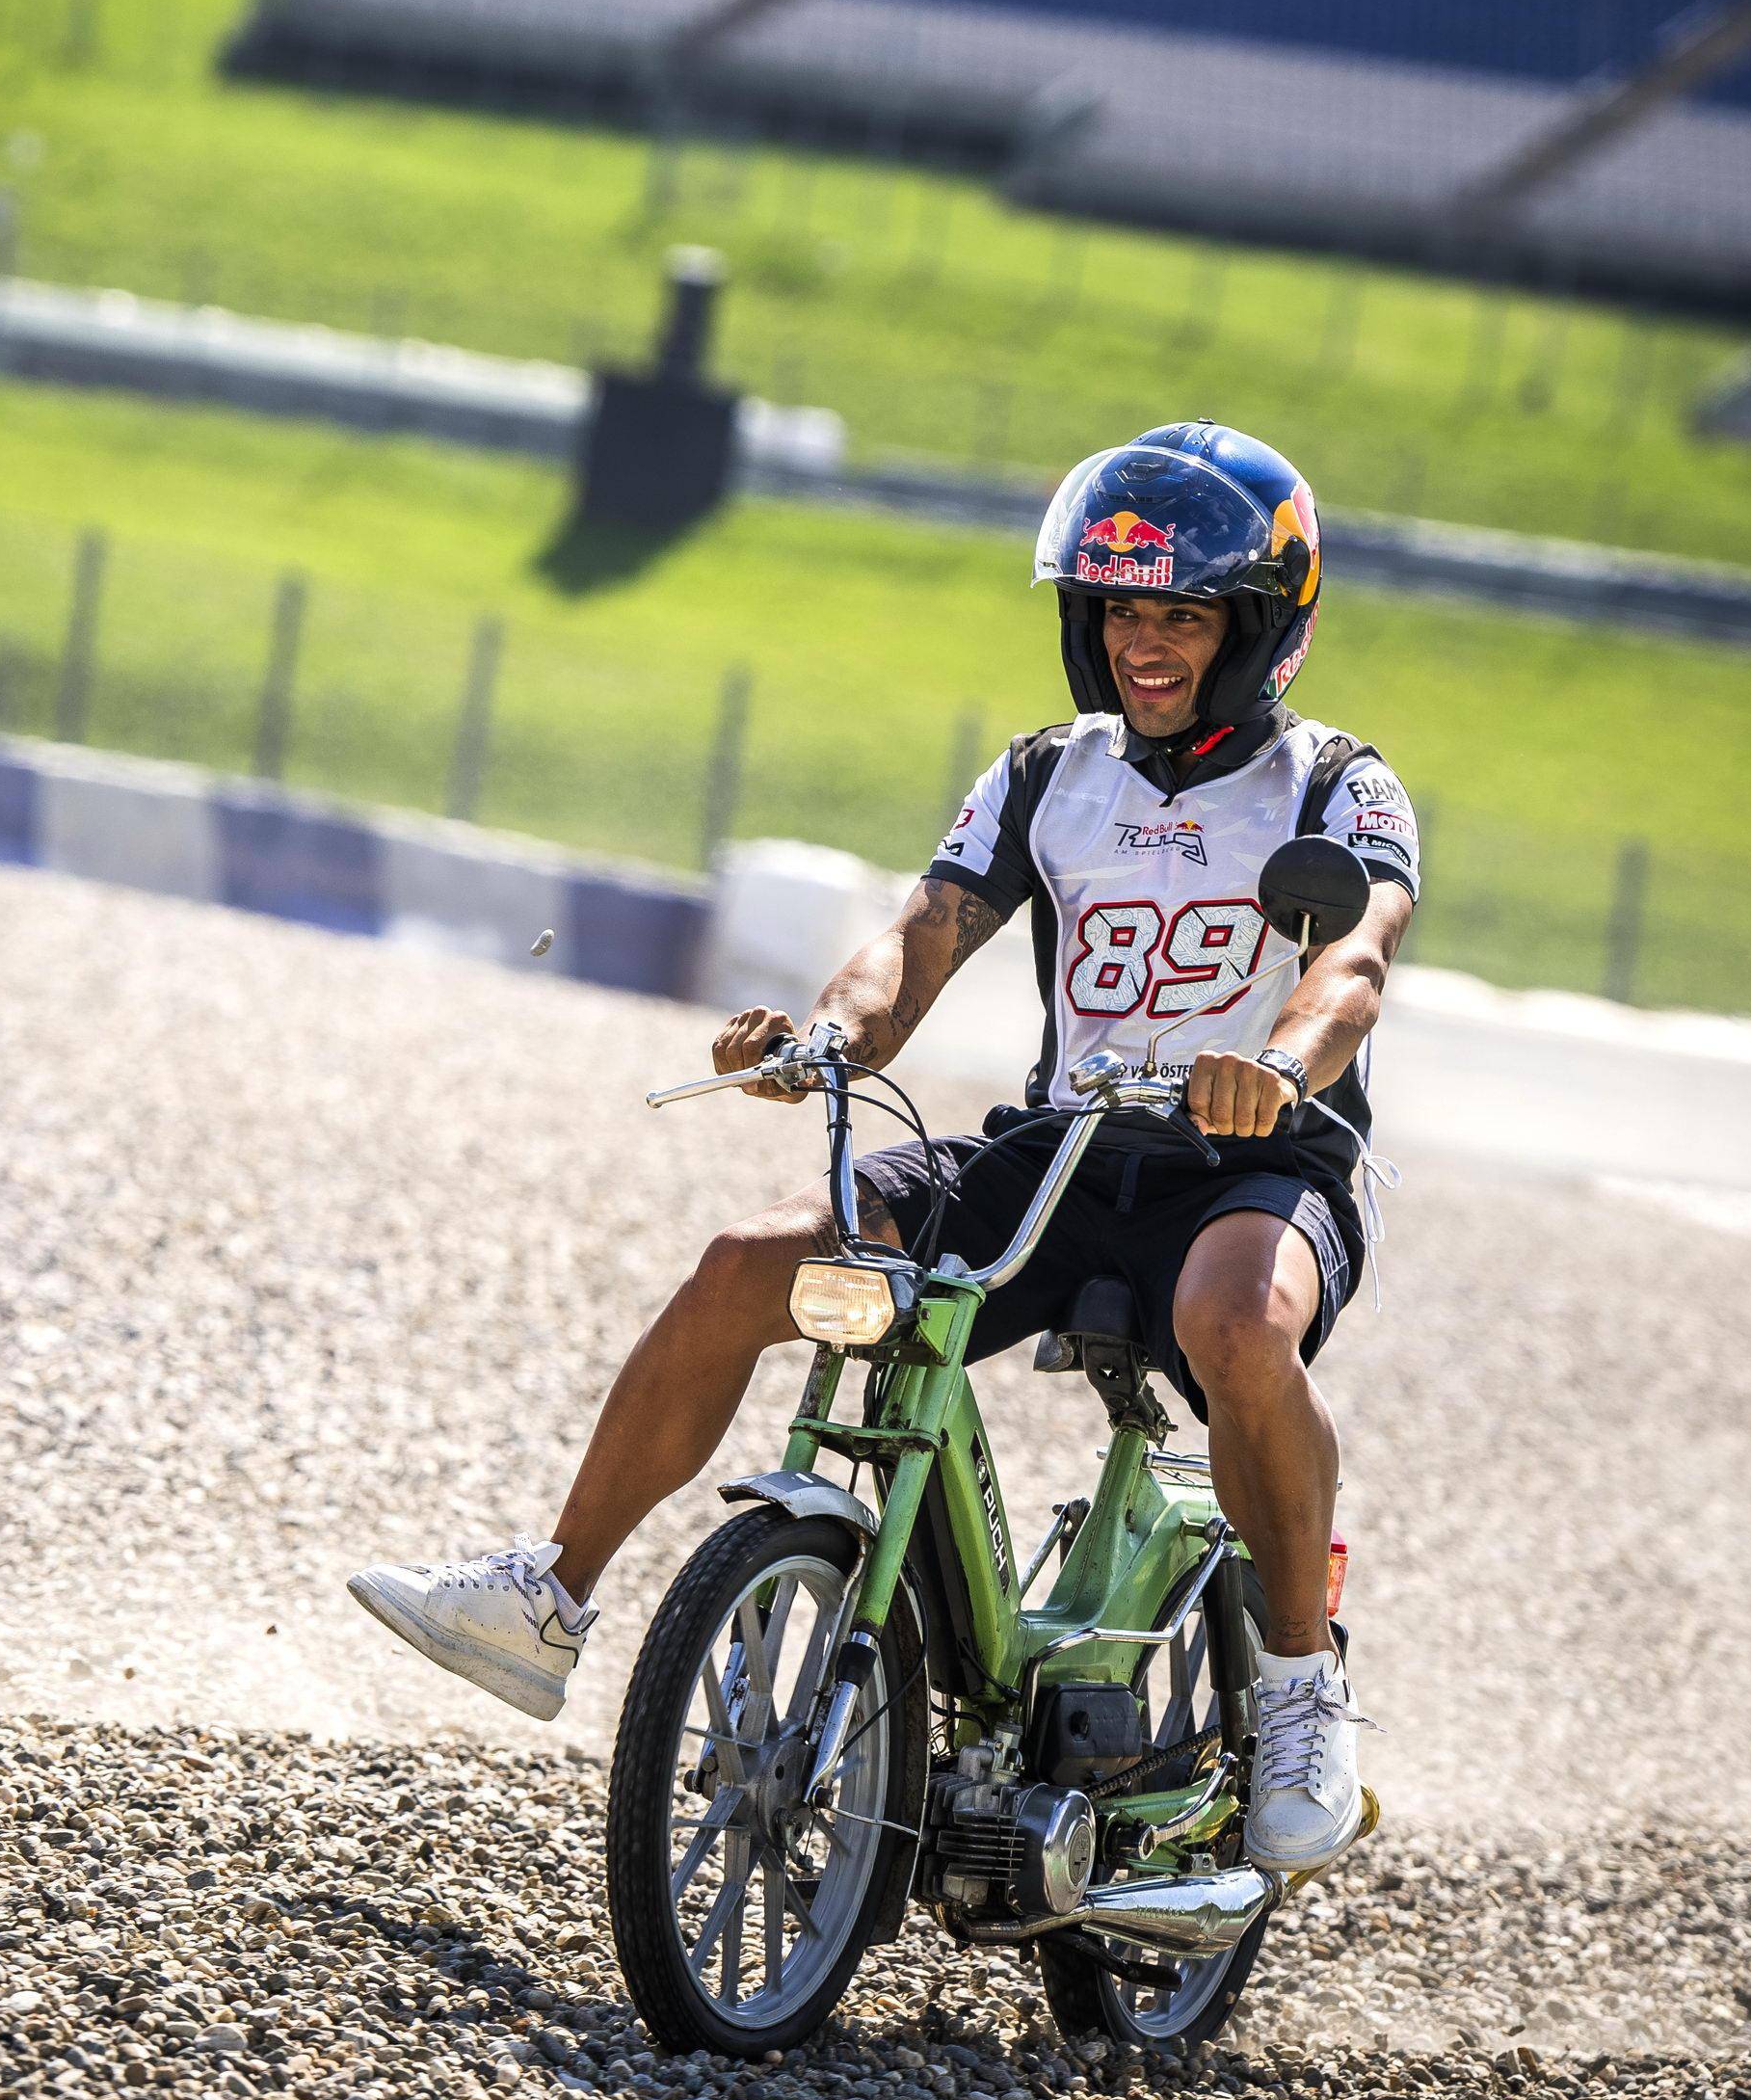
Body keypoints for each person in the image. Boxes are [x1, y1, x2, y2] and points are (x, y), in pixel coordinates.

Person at [349, 421, 1418, 1873]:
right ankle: (546, 1596)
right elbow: (921, 937)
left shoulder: (1338, 786)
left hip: (1257, 1164)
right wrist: (826, 1039)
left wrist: (1278, 1067)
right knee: (748, 1262)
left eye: (1181, 614)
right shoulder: (1046, 774)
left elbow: (1353, 963)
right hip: (1064, 1149)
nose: (1141, 643)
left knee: (1236, 1322)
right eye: (1116, 609)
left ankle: (1298, 1689)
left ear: (1261, 629)